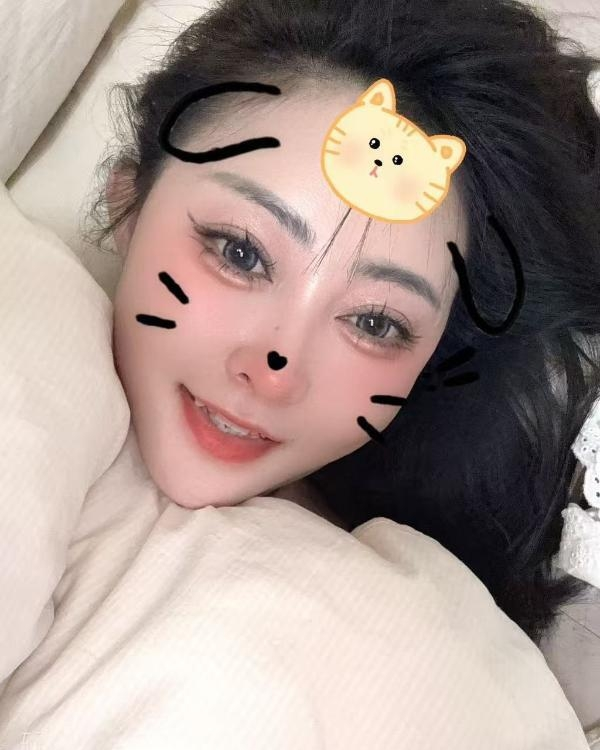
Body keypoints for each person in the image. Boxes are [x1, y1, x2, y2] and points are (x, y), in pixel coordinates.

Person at [84, 0, 600, 646]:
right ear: (128, 202)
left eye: (375, 323)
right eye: (240, 253)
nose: (276, 371)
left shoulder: (419, 621)